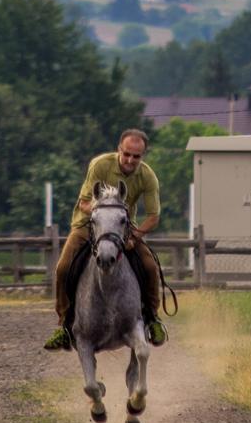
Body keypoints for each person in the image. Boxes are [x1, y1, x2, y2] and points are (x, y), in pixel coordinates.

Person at [44, 129, 166, 351]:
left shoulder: (148, 177)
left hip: (124, 230)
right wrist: (103, 210)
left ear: (143, 156)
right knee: (62, 268)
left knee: (150, 267)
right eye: (127, 153)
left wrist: (135, 236)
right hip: (87, 225)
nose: (130, 160)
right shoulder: (100, 165)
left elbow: (154, 217)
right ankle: (64, 325)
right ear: (119, 149)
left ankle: (152, 318)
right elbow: (83, 202)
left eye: (136, 156)